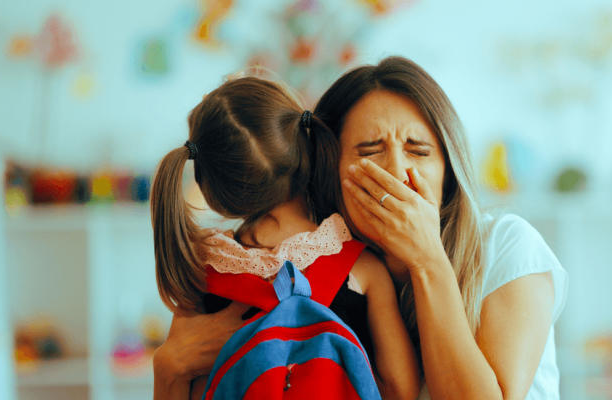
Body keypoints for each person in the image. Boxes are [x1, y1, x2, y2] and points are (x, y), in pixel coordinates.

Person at [153, 58, 568, 400]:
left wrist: (426, 259)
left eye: (419, 150)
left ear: (449, 167)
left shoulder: (507, 245)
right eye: (369, 152)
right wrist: (169, 368)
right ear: (327, 166)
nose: (396, 172)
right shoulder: (340, 263)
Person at [149, 76, 420, 400]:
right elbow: (400, 391)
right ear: (304, 147)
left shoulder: (202, 274)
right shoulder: (362, 269)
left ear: (219, 192)